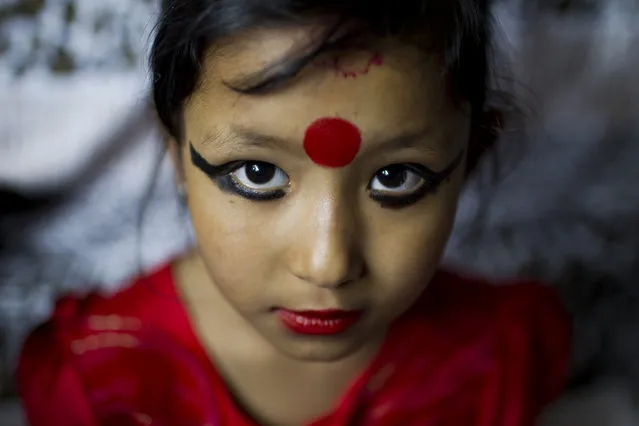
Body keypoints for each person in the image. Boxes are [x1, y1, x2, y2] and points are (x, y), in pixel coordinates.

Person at [16, 0, 571, 425]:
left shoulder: (504, 357)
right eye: (257, 174)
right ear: (176, 152)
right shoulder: (96, 384)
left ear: (472, 158)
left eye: (394, 178)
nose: (327, 265)